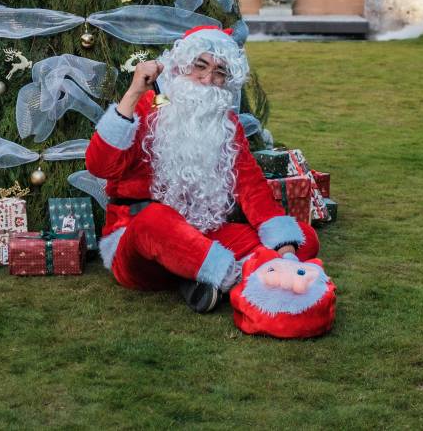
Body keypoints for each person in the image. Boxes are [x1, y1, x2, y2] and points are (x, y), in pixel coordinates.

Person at [86, 26, 319, 312]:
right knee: (154, 220)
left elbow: (253, 189)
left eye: (220, 71)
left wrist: (286, 252)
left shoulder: (225, 124)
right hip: (139, 240)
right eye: (200, 65)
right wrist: (134, 92)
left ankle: (198, 276)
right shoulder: (147, 106)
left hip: (201, 235)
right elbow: (99, 166)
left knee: (303, 239)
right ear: (182, 65)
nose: (208, 78)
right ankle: (238, 277)